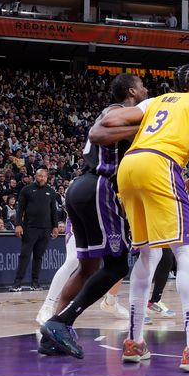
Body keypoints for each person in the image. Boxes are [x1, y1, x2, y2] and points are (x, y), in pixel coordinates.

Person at [94, 64, 189, 371]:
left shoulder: (153, 102)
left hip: (129, 168)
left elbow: (109, 119)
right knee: (186, 252)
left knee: (148, 255)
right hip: (159, 165)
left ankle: (133, 341)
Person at [38, 74, 147, 356]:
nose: (147, 90)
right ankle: (62, 322)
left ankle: (50, 335)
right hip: (100, 187)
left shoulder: (112, 113)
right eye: (143, 86)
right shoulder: (119, 112)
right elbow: (99, 134)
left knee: (87, 268)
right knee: (118, 266)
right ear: (132, 91)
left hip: (80, 188)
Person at [11, 168, 59, 291]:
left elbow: (54, 210)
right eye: (39, 176)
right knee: (25, 255)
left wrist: (55, 226)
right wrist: (18, 224)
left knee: (39, 257)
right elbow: (20, 209)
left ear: (47, 178)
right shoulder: (26, 190)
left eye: (44, 176)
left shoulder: (50, 191)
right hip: (30, 228)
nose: (42, 178)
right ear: (35, 176)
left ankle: (35, 283)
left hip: (45, 229)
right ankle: (17, 283)